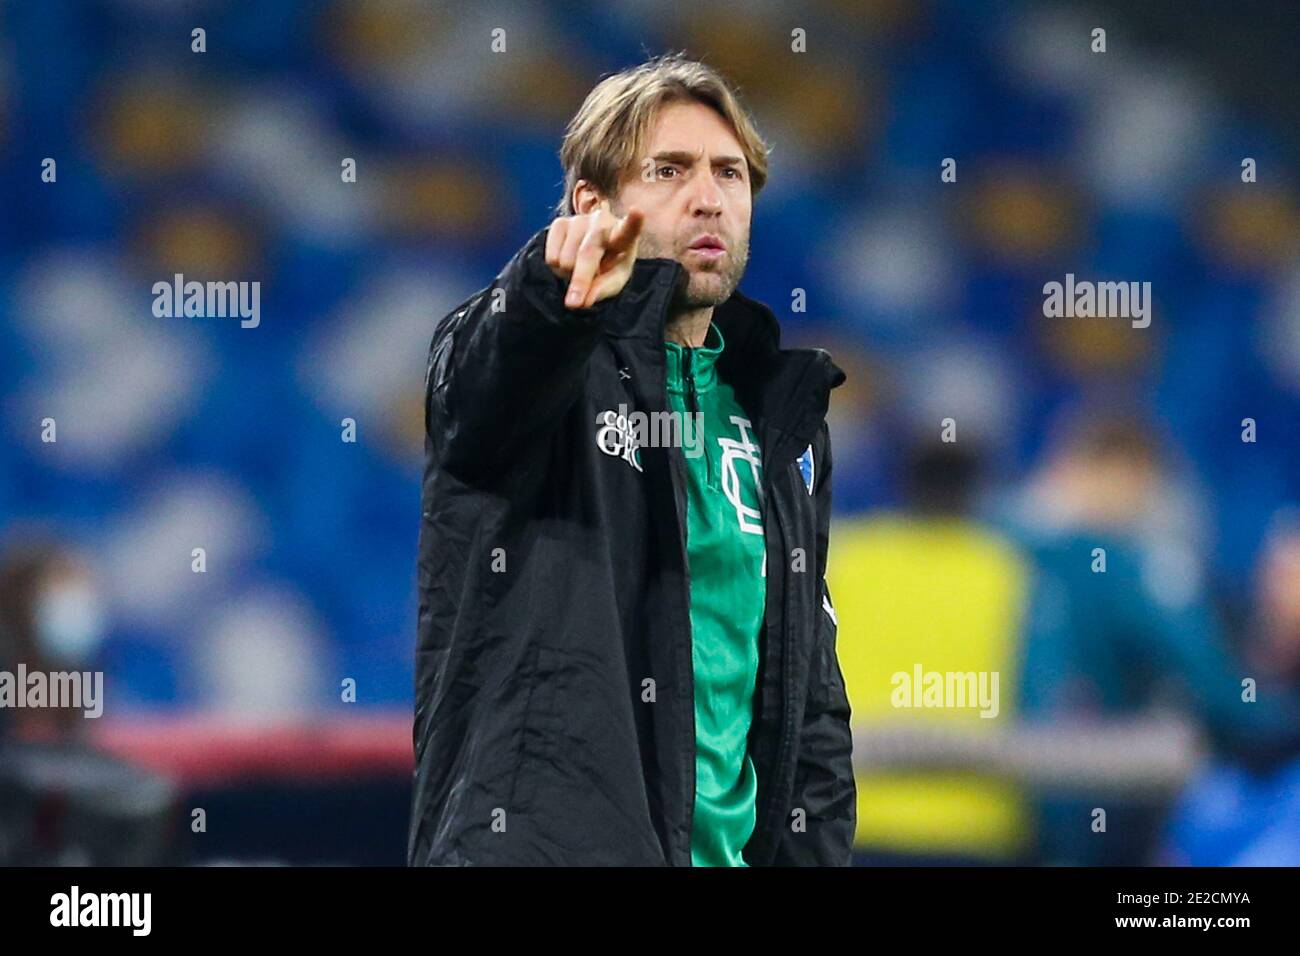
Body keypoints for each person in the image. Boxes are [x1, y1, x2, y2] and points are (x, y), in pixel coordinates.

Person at [408, 55, 853, 866]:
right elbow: (480, 390)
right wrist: (550, 291)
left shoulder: (780, 416)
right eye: (669, 171)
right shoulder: (540, 364)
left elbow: (812, 702)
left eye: (730, 173)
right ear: (594, 204)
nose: (709, 196)